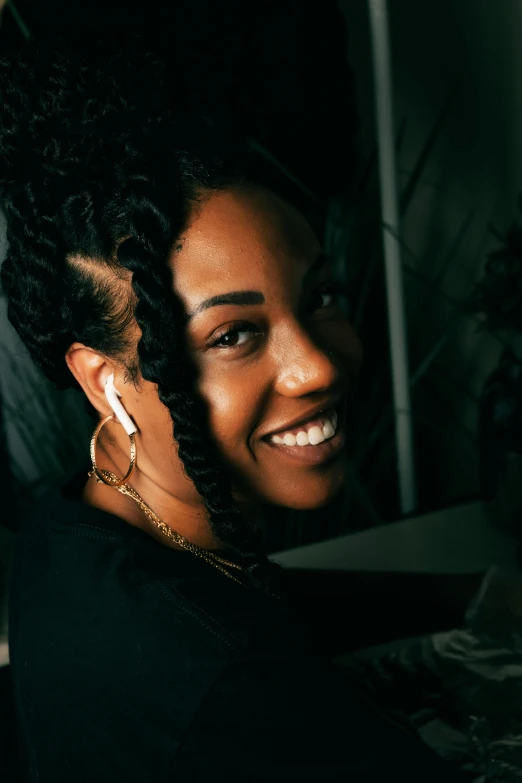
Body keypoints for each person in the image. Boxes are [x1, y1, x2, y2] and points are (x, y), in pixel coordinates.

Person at [1, 40, 466, 782]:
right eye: (234, 335)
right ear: (104, 380)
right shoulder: (230, 689)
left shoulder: (72, 537)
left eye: (319, 296)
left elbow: (258, 603)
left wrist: (473, 596)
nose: (316, 364)